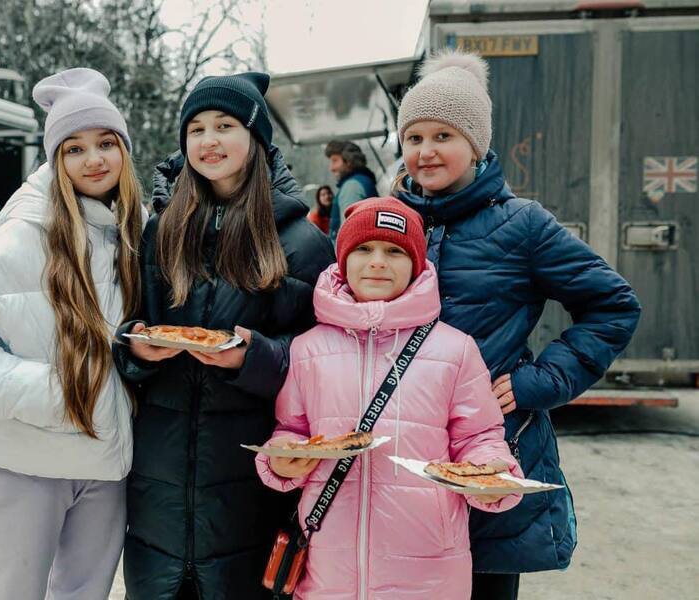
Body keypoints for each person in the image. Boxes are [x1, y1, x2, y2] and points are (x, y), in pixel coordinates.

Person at [392, 50, 641, 600]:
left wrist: (541, 382)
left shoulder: (523, 224)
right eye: (413, 138)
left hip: (489, 449)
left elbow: (613, 305)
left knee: (485, 584)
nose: (426, 152)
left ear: (475, 144)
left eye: (443, 136)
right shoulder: (389, 219)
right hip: (399, 450)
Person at [0, 68, 145, 599]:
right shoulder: (22, 236)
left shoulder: (131, 234)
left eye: (106, 143)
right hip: (29, 461)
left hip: (106, 465)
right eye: (74, 148)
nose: (94, 159)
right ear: (54, 160)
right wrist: (57, 394)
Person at [113, 72, 334, 599]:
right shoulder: (160, 230)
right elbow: (132, 324)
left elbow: (320, 363)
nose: (208, 141)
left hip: (248, 479)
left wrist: (251, 359)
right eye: (196, 129)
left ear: (255, 138)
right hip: (158, 480)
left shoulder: (302, 243)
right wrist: (136, 349)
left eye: (225, 125)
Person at [256, 197, 523, 598]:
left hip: (429, 562)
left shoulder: (455, 349)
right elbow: (291, 430)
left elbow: (480, 437)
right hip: (329, 561)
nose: (378, 261)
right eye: (363, 249)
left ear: (416, 264)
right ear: (342, 261)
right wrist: (281, 459)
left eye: (395, 251)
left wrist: (493, 474)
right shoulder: (307, 349)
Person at [324, 140, 378, 240]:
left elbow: (350, 236)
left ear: (349, 161)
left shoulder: (352, 187)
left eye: (335, 161)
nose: (331, 168)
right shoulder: (363, 181)